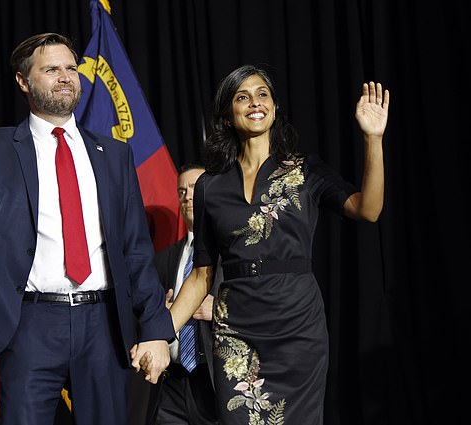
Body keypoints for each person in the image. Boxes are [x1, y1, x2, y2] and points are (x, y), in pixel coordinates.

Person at [0, 29, 174, 425]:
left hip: (104, 326)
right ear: (23, 81)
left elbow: (135, 249)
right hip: (30, 324)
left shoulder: (113, 154)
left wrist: (154, 328)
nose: (66, 76)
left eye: (71, 68)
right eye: (51, 69)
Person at [163, 65, 389, 425]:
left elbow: (369, 209)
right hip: (236, 334)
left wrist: (372, 140)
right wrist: (160, 335)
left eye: (262, 94)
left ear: (275, 107)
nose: (255, 102)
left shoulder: (305, 171)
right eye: (242, 96)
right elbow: (201, 276)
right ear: (227, 114)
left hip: (297, 330)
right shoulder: (210, 186)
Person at [146, 164, 221, 425]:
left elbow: (262, 304)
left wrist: (222, 309)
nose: (187, 196)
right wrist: (159, 314)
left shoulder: (233, 252)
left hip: (215, 380)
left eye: (194, 188)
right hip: (172, 384)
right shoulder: (163, 259)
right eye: (181, 191)